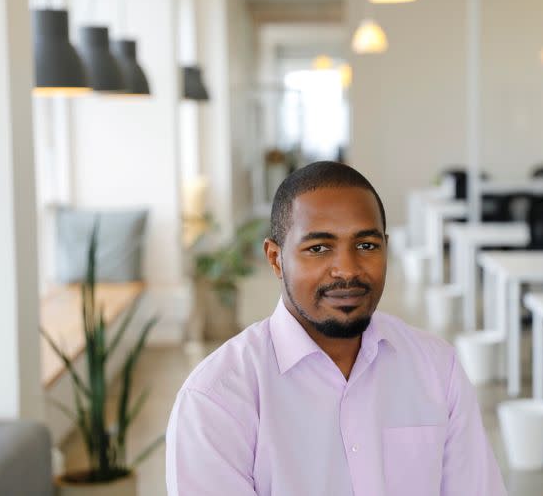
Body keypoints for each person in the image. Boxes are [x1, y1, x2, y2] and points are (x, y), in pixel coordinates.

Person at [166, 161, 506, 496]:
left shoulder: (435, 367)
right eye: (318, 248)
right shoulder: (217, 399)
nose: (347, 269)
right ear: (275, 258)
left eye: (366, 245)